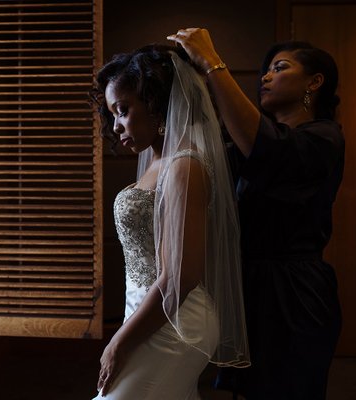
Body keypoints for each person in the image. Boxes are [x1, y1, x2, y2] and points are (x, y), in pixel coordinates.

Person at [167, 28, 344, 399]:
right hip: (252, 285)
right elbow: (220, 152)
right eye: (266, 69)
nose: (265, 76)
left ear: (315, 82)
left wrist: (214, 63)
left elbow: (268, 150)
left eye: (279, 68)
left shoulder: (324, 138)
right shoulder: (249, 144)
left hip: (294, 294)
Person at [89, 44, 249, 400]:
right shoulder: (158, 160)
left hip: (177, 321)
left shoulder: (183, 166)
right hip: (151, 311)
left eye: (124, 110)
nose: (116, 126)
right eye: (113, 114)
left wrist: (118, 341)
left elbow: (181, 276)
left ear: (156, 105)